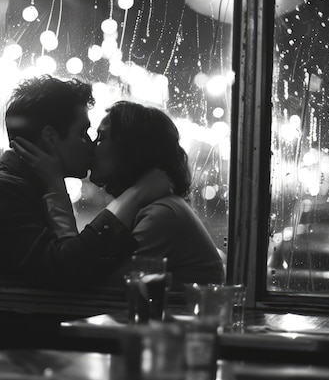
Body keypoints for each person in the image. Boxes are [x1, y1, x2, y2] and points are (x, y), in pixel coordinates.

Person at [0, 75, 171, 288]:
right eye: (83, 133)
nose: (91, 146)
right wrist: (136, 194)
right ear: (51, 137)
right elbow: (68, 272)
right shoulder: (2, 190)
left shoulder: (14, 185)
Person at [13, 100, 225, 289]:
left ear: (131, 149)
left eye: (101, 137)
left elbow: (81, 280)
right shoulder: (144, 207)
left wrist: (55, 185)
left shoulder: (163, 214)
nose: (91, 146)